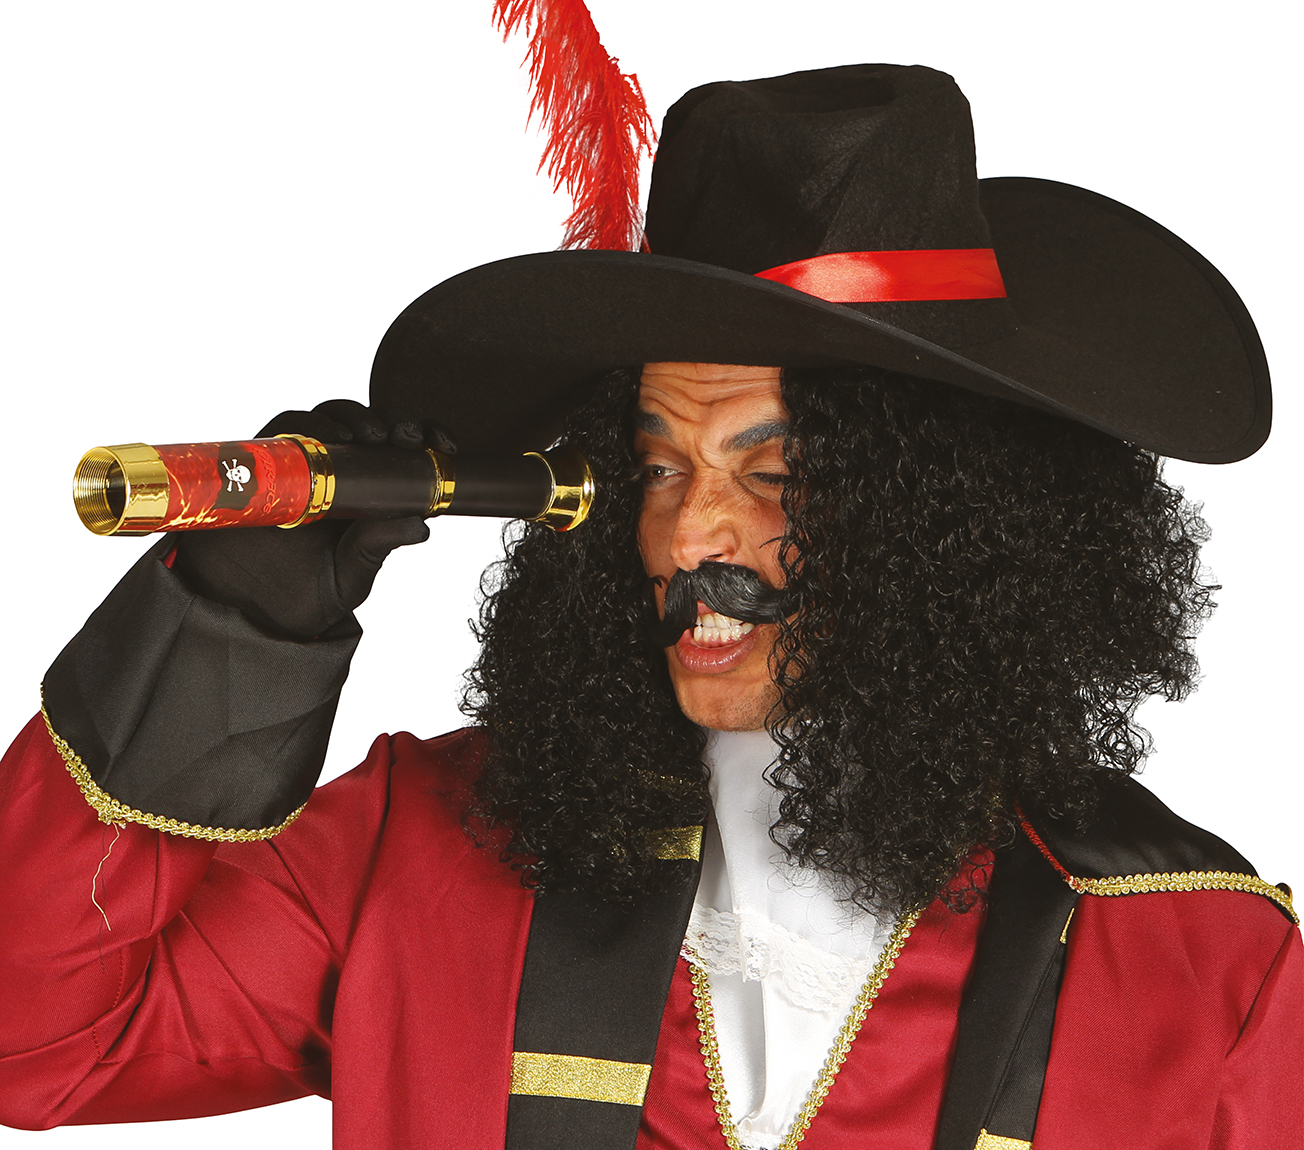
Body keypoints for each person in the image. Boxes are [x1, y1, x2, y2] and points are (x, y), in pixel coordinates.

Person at [1, 64, 1299, 1150]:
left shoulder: (1205, 968)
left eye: (772, 475)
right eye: (660, 466)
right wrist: (229, 630)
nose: (684, 537)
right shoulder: (423, 852)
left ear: (950, 528)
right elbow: (34, 1041)